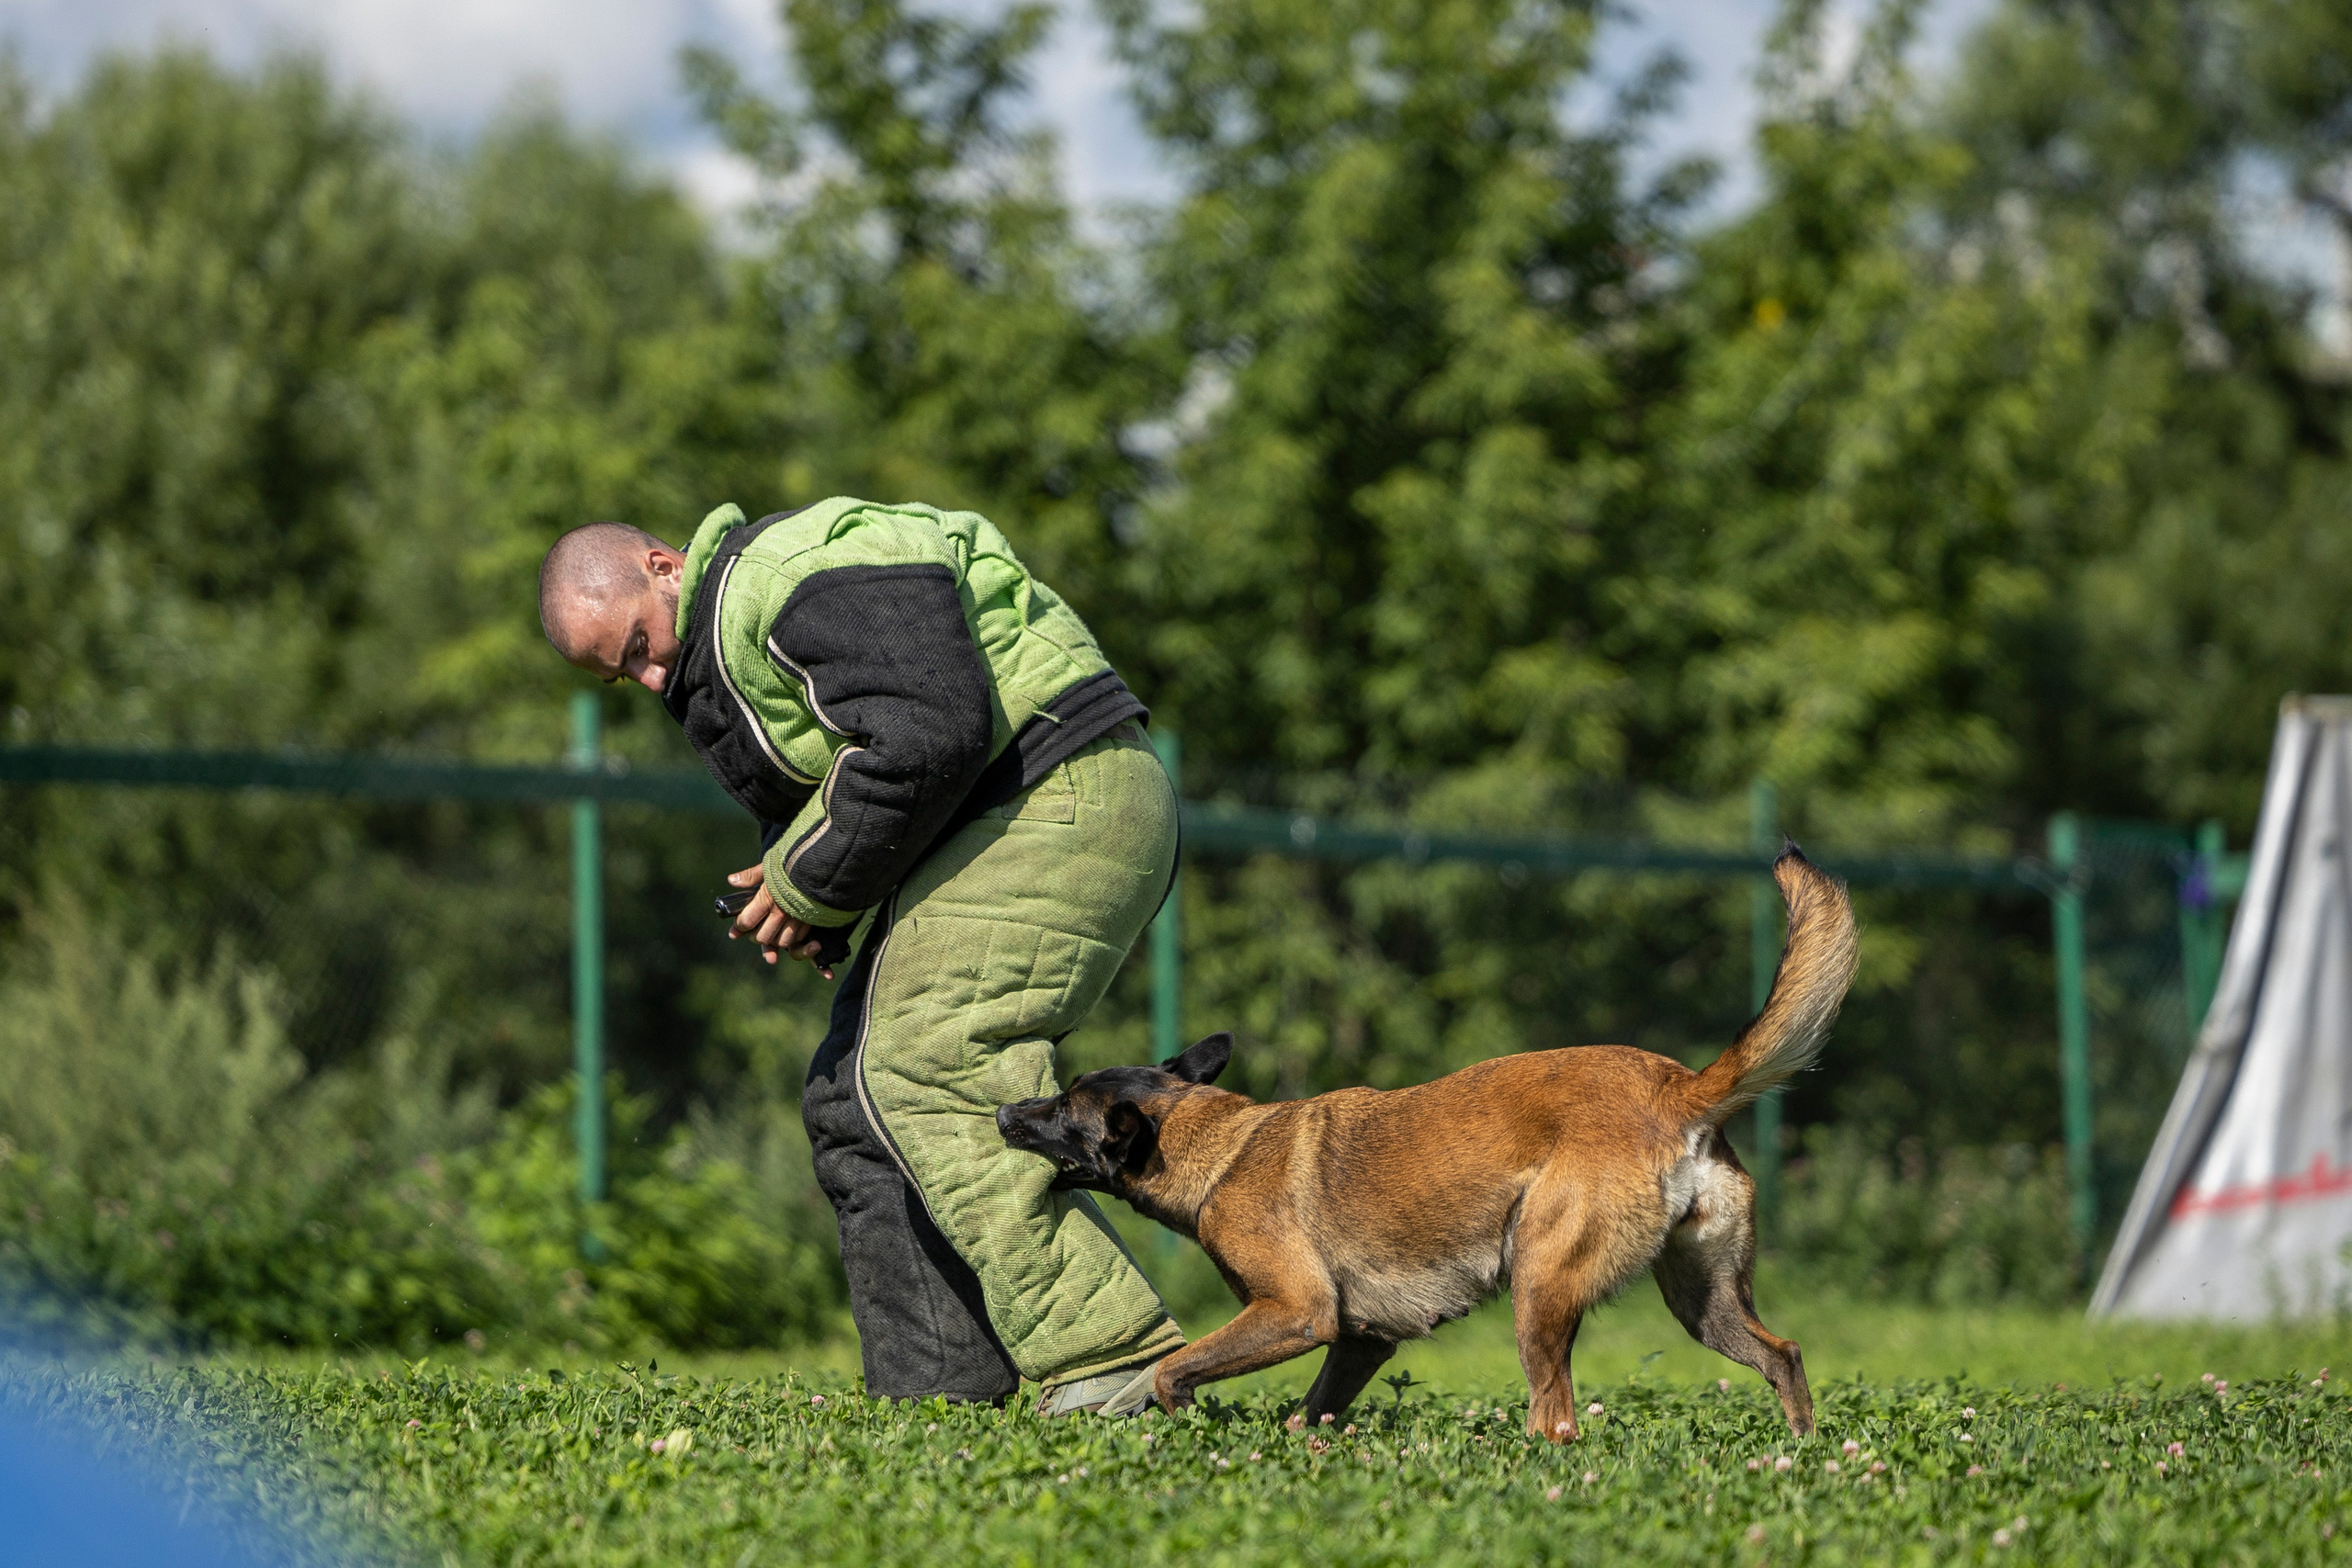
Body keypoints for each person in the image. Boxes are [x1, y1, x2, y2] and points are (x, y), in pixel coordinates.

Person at [537, 499, 1182, 1416]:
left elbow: (929, 730)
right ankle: (940, 1394)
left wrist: (806, 882)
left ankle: (1113, 1357)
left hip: (1059, 788)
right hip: (1015, 809)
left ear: (663, 566)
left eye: (639, 645)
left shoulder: (786, 573)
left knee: (925, 1061)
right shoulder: (728, 639)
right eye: (622, 676)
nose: (647, 678)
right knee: (851, 1098)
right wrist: (815, 896)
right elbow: (860, 763)